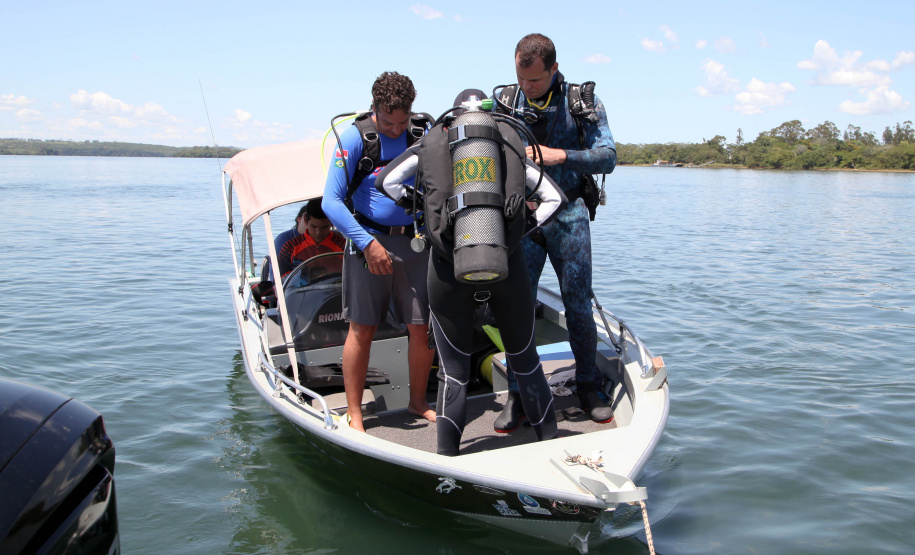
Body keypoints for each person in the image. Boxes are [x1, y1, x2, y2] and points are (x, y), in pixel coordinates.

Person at [376, 89, 565, 455]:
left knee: (453, 372)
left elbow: (387, 182)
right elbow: (554, 198)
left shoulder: (429, 145)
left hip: (447, 269)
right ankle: (553, 449)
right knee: (525, 361)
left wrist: (421, 212)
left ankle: (448, 459)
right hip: (506, 265)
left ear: (452, 118)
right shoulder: (508, 145)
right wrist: (517, 231)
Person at [494, 33, 617, 429]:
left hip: (568, 216)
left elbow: (609, 157)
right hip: (523, 220)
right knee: (516, 308)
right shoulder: (506, 102)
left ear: (554, 69)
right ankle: (517, 392)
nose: (527, 88)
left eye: (535, 80)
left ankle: (586, 385)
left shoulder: (582, 102)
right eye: (521, 78)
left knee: (578, 305)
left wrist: (560, 155)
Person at [322, 71, 435, 432]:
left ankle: (418, 403)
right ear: (374, 109)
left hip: (415, 243)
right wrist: (368, 244)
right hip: (368, 242)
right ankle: (355, 414)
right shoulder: (355, 138)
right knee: (362, 329)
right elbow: (331, 202)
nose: (395, 128)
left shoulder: (421, 134)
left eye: (402, 121)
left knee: (420, 329)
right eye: (388, 121)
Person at [275, 198, 345, 279]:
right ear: (305, 220)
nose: (318, 232)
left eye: (324, 227)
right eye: (314, 226)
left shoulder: (343, 246)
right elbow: (283, 281)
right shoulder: (289, 247)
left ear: (332, 222)